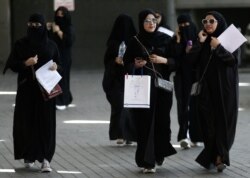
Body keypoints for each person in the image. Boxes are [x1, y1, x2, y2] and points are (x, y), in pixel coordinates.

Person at [3, 13, 60, 172]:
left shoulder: (51, 46)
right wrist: (25, 63)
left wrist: (56, 66)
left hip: (45, 92)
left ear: (43, 26)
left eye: (37, 25)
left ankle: (45, 159)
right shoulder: (21, 44)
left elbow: (59, 63)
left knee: (46, 124)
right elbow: (12, 64)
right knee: (26, 123)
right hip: (27, 90)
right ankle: (28, 154)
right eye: (31, 25)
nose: (34, 28)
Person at [123, 9, 177, 173]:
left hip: (162, 89)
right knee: (145, 123)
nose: (151, 23)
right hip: (142, 89)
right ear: (141, 22)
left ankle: (158, 153)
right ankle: (148, 161)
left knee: (162, 122)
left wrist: (164, 60)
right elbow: (126, 63)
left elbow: (177, 62)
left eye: (153, 20)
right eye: (147, 20)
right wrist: (135, 65)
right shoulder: (134, 41)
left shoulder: (166, 39)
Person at [188, 11, 239, 172]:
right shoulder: (202, 40)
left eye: (212, 21)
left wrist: (218, 47)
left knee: (224, 123)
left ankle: (220, 157)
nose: (208, 24)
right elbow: (191, 62)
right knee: (208, 123)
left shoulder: (230, 39)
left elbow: (233, 61)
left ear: (220, 23)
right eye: (205, 21)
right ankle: (212, 155)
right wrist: (200, 44)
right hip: (206, 91)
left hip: (225, 91)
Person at [102, 14, 137, 145]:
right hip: (115, 80)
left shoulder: (135, 42)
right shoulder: (113, 44)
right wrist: (115, 61)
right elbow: (107, 62)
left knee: (130, 108)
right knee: (120, 106)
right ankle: (120, 134)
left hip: (131, 79)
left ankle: (129, 135)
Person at [173, 14, 203, 149]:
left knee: (196, 106)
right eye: (181, 25)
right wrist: (179, 43)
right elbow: (173, 59)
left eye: (187, 24)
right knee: (182, 106)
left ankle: (196, 135)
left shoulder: (200, 38)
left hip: (196, 78)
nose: (185, 27)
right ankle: (183, 135)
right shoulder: (175, 40)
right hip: (181, 78)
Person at [47, 6, 75, 110]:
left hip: (65, 57)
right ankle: (57, 99)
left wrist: (58, 31)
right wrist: (48, 28)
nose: (60, 16)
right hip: (54, 57)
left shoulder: (69, 28)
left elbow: (69, 41)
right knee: (54, 79)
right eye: (58, 14)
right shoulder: (53, 26)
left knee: (63, 79)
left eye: (62, 14)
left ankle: (63, 100)